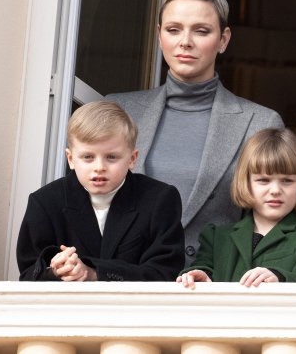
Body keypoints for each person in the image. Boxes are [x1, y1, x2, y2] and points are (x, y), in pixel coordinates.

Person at [107, 0, 283, 267]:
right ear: (159, 36)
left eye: (201, 31)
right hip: (121, 285)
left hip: (209, 290)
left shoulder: (261, 123)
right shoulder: (117, 109)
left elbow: (272, 222)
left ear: (224, 39)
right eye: (173, 30)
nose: (185, 42)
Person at [17, 101, 185, 281]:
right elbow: (28, 274)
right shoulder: (45, 202)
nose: (99, 167)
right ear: (71, 159)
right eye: (88, 157)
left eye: (111, 157)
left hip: (136, 308)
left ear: (132, 159)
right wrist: (56, 271)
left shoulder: (159, 199)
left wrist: (94, 273)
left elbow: (165, 272)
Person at [177, 128, 296, 288]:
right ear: (246, 183)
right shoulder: (216, 236)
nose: (275, 190)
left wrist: (279, 278)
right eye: (263, 180)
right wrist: (200, 277)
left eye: (287, 181)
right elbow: (204, 268)